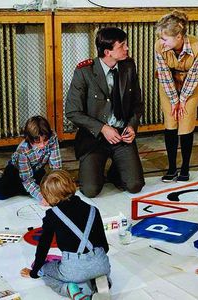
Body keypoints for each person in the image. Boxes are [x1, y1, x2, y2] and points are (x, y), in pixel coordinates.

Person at [65, 27, 145, 198]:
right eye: (122, 45)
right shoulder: (84, 71)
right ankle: (94, 168)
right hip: (94, 139)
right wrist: (102, 128)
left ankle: (117, 170)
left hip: (121, 135)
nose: (127, 49)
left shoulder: (128, 67)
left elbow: (137, 104)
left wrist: (132, 126)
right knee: (90, 190)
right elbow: (72, 112)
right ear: (108, 52)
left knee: (134, 185)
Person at [20, 170, 111, 300]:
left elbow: (43, 247)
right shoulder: (92, 209)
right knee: (93, 270)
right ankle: (100, 282)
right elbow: (104, 246)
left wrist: (35, 273)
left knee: (44, 271)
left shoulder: (52, 215)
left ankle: (70, 290)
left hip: (73, 269)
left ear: (49, 195)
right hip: (101, 264)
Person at [155, 10, 198, 182]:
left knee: (186, 121)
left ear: (178, 37)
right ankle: (171, 168)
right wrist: (174, 100)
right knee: (171, 121)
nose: (161, 42)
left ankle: (185, 167)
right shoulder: (159, 47)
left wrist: (182, 100)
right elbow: (163, 74)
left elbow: (193, 78)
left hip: (191, 84)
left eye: (165, 39)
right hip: (168, 82)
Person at [0, 116, 61, 204]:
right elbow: (27, 180)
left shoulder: (52, 137)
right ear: (29, 139)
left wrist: (58, 186)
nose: (43, 145)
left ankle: (21, 188)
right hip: (15, 171)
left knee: (43, 189)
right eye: (38, 142)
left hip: (37, 170)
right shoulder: (23, 150)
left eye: (45, 140)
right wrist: (41, 198)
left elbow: (56, 167)